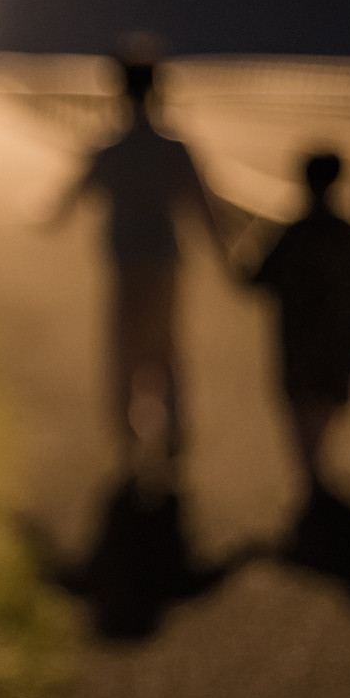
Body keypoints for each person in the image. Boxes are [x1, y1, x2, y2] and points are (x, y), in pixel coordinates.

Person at [43, 44, 222, 471]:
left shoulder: (109, 147)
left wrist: (37, 216)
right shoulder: (175, 148)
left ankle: (128, 443)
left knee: (124, 351)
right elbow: (203, 207)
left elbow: (66, 201)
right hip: (165, 260)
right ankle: (173, 430)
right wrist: (229, 258)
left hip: (125, 262)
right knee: (166, 348)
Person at [251, 152, 350, 495]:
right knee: (326, 399)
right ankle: (316, 473)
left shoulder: (293, 233)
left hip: (298, 336)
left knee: (299, 401)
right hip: (338, 335)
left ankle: (310, 476)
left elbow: (258, 277)